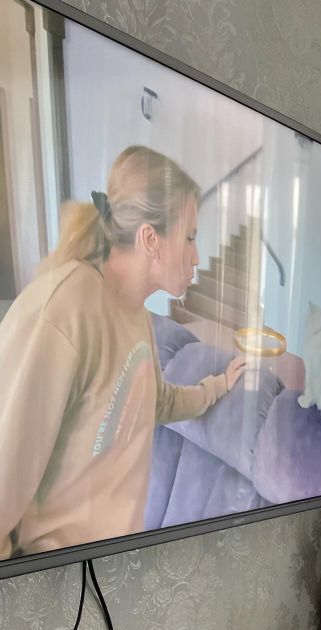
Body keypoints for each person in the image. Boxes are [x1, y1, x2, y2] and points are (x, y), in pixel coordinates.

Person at [0, 145, 245, 560]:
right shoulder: (62, 311)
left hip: (115, 570)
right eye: (189, 237)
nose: (196, 255)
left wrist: (218, 386)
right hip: (55, 582)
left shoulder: (135, 312)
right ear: (150, 239)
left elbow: (156, 402)